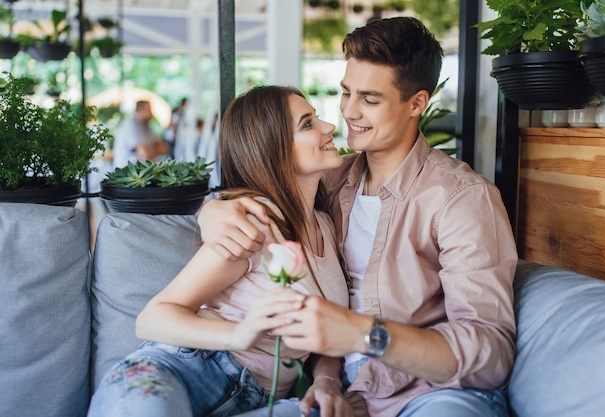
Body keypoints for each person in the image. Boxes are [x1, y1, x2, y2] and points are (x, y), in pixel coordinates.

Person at [199, 17, 518, 417]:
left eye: (370, 99)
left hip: (430, 394)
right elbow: (260, 183)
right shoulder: (328, 179)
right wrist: (213, 210)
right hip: (340, 392)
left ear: (417, 103)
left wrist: (365, 335)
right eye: (346, 92)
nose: (348, 112)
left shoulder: (462, 199)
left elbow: (491, 353)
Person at [88, 86, 352, 417]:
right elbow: (152, 318)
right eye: (308, 123)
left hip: (258, 399)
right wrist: (241, 333)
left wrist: (326, 380)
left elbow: (326, 332)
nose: (329, 126)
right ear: (275, 151)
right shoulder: (254, 222)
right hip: (185, 371)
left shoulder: (327, 224)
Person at [113, 100, 170, 168]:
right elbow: (145, 153)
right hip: (127, 172)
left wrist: (151, 150)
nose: (151, 113)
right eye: (148, 109)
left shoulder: (147, 126)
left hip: (142, 171)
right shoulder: (131, 124)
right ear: (139, 110)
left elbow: (164, 149)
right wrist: (154, 149)